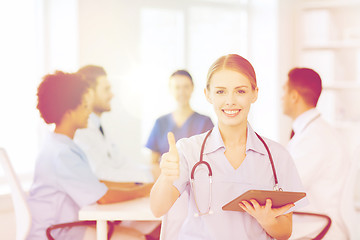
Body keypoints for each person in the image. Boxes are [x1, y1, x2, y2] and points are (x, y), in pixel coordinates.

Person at [150, 54, 307, 240]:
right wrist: (167, 178)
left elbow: (285, 231)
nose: (230, 101)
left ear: (254, 93)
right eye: (220, 92)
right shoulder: (189, 150)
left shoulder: (277, 156)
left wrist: (268, 221)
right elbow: (157, 209)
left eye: (240, 91)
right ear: (207, 94)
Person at [27, 71, 153, 240]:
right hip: (60, 231)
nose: (88, 112)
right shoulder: (62, 154)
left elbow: (95, 184)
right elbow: (104, 197)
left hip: (67, 226)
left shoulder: (60, 145)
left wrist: (136, 186)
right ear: (69, 110)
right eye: (85, 105)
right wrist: (143, 190)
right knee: (137, 237)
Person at [282, 68, 349, 239]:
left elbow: (286, 186)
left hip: (320, 230)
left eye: (284, 91)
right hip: (315, 227)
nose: (281, 97)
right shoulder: (314, 132)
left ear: (294, 96)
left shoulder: (314, 138)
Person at [74, 65, 153, 183]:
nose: (112, 95)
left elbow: (121, 162)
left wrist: (151, 172)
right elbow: (100, 175)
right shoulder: (80, 131)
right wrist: (147, 177)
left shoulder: (99, 127)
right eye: (106, 89)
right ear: (89, 93)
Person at [146, 69, 214, 179]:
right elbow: (153, 163)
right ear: (170, 90)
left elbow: (213, 160)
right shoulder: (160, 123)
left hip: (196, 183)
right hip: (166, 184)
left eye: (186, 87)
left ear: (192, 88)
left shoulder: (205, 122)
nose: (182, 92)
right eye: (177, 87)